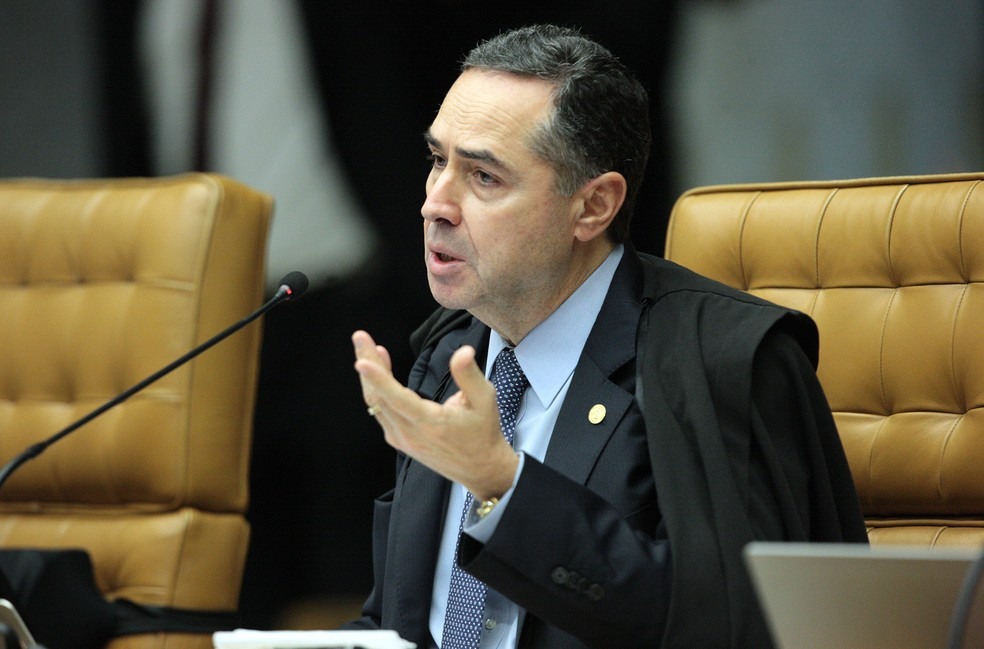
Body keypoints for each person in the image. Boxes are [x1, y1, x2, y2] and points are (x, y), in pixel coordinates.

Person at [348, 24, 866, 649]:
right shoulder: (447, 355)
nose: (436, 203)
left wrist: (505, 489)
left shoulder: (720, 364)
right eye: (438, 161)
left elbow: (732, 625)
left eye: (484, 177)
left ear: (593, 207)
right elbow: (401, 625)